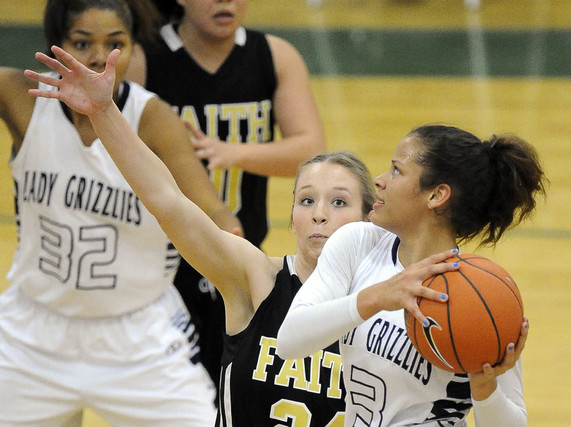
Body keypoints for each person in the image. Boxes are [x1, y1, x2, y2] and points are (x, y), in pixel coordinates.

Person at [23, 45, 453, 426]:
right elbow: (165, 198)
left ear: (367, 217)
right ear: (292, 218)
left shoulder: (390, 302)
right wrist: (104, 113)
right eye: (306, 201)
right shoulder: (254, 278)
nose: (319, 214)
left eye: (338, 202)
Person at [0, 0, 243, 424]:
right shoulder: (24, 99)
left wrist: (252, 271)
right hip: (31, 338)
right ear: (55, 47)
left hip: (139, 338)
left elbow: (215, 215)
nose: (98, 57)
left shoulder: (151, 118)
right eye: (81, 42)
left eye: (116, 44)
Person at [277, 125, 548, 426]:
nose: (378, 181)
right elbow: (289, 341)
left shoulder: (482, 295)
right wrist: (377, 297)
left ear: (436, 195)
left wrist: (485, 388)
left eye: (396, 171)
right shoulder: (358, 243)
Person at [124, 0, 326, 386]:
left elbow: (310, 150)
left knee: (232, 389)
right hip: (160, 265)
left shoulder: (274, 56)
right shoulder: (144, 58)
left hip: (241, 255)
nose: (226, 1)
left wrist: (232, 153)